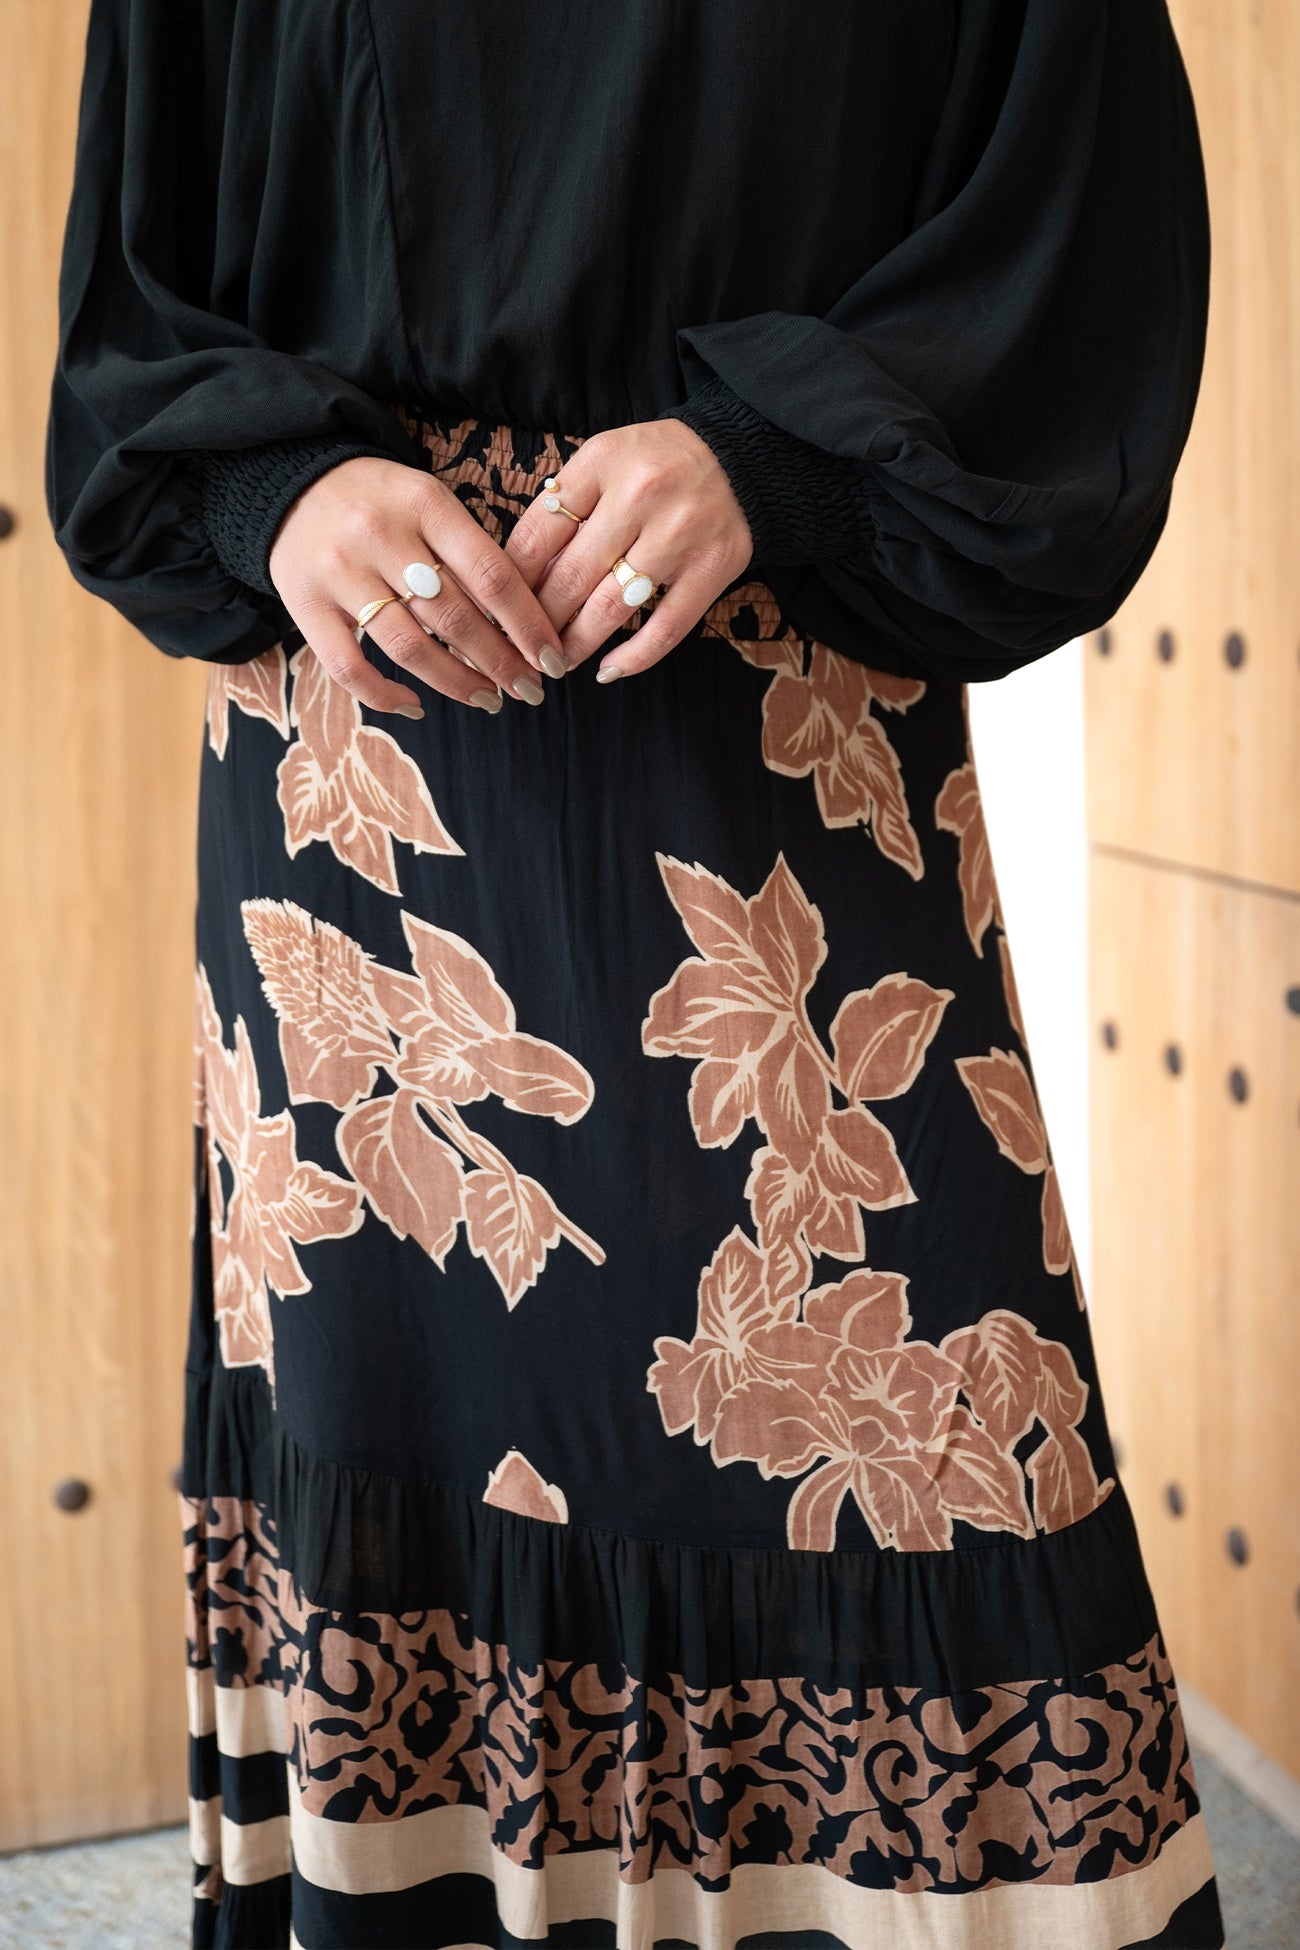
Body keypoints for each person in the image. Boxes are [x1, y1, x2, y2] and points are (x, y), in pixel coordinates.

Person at [47, 3, 1223, 1946]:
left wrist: (773, 454)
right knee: (401, 1470)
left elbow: (1076, 221)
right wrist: (275, 496)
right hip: (358, 809)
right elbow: (129, 307)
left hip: (771, 768)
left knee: (918, 1458)